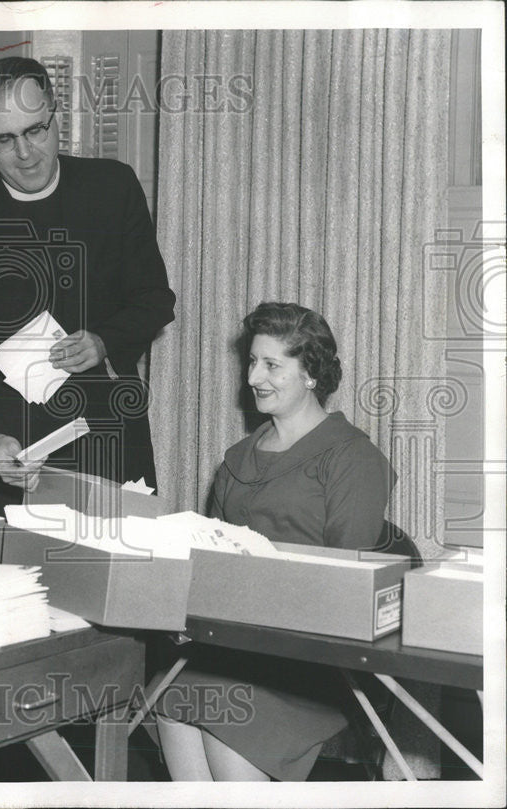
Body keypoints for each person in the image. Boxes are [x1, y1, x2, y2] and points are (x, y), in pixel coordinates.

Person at [151, 302, 397, 782]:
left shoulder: (352, 458)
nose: (253, 377)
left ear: (311, 375)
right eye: (251, 362)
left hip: (314, 657)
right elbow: (212, 558)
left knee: (228, 724)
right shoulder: (238, 457)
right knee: (171, 702)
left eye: (272, 365)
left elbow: (346, 584)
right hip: (237, 647)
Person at [0, 56, 176, 512]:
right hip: (7, 439)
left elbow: (154, 299)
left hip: (105, 427)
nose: (25, 153)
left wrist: (103, 341)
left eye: (36, 130)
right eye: (4, 139)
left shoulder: (112, 187)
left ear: (56, 112)